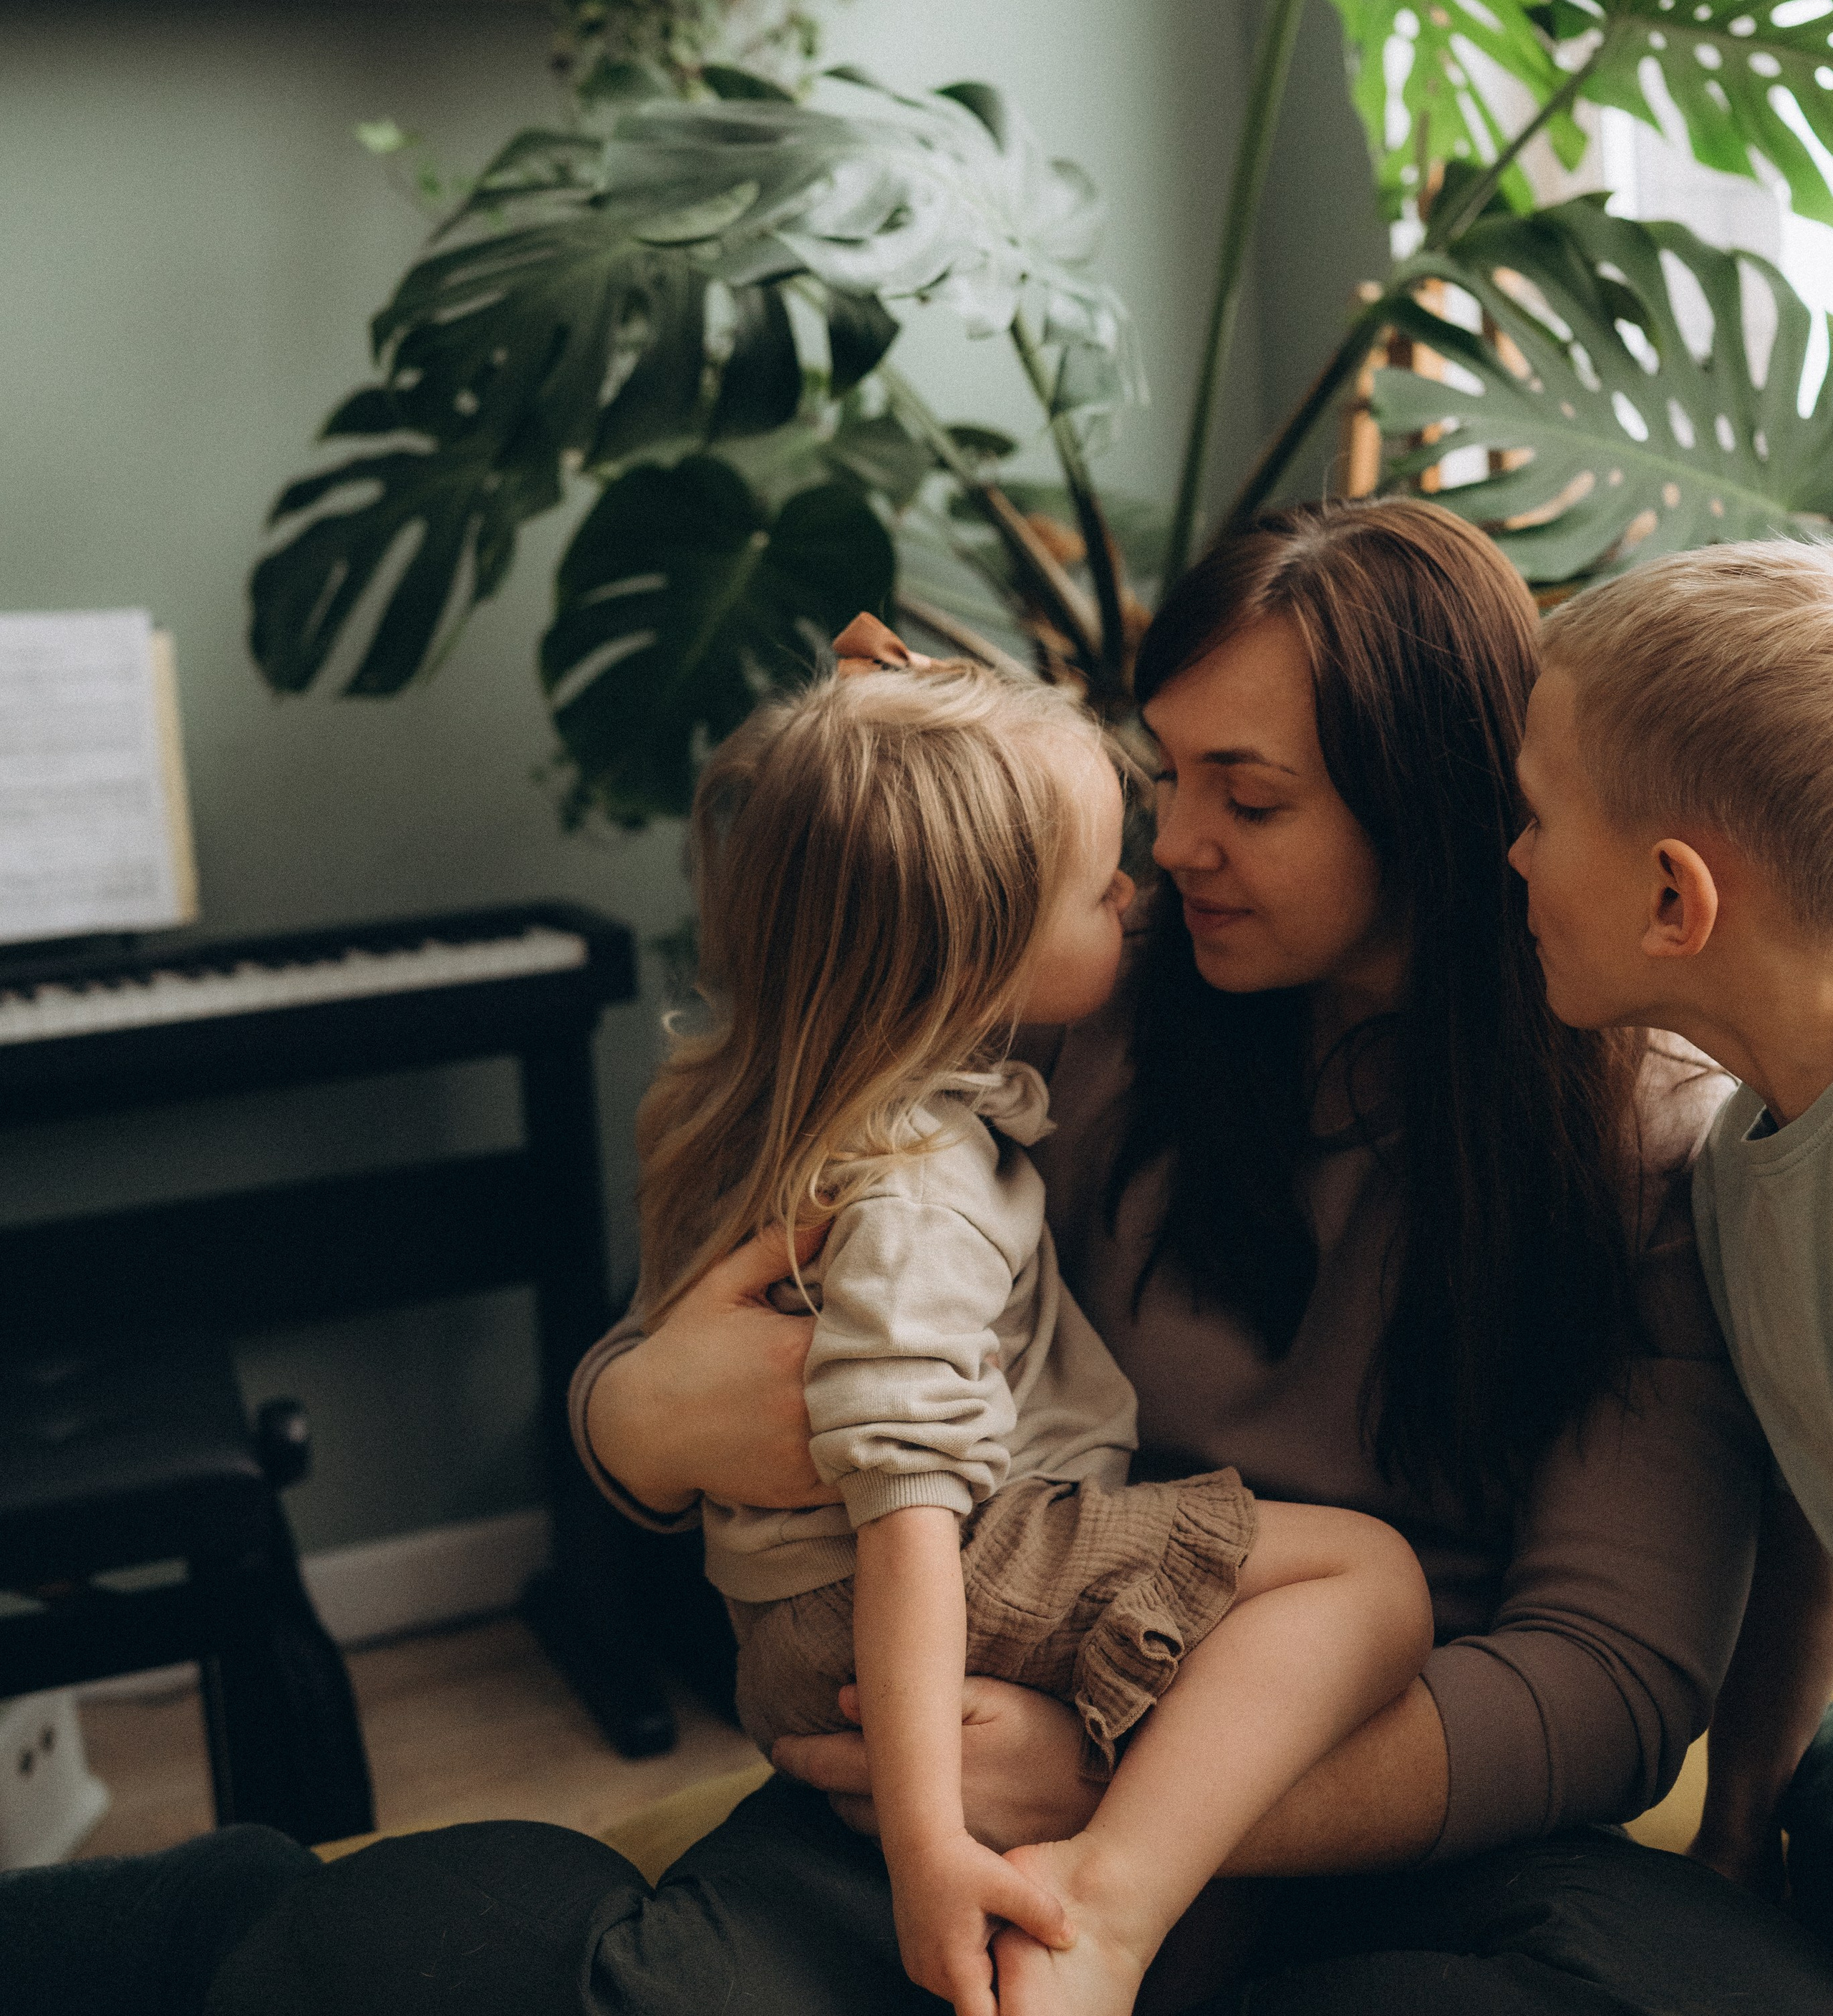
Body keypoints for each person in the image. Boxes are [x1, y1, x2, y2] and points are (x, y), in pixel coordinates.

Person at [13, 500, 1831, 2014]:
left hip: (1377, 1815)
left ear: (1435, 817)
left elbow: (1603, 1677)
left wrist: (1133, 1793)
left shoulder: (1648, 1137)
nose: (1170, 844)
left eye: (1247, 799)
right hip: (980, 1727)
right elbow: (749, 1295)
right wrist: (629, 1422)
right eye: (1160, 774)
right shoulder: (1071, 1025)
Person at [611, 648, 1432, 2014]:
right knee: (1368, 1583)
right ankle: (1084, 1940)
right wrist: (930, 1847)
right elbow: (910, 1519)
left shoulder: (779, 1106)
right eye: (1099, 882)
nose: (1144, 883)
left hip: (796, 1627)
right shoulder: (918, 1188)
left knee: (1228, 1861)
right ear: (973, 947)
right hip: (911, 1591)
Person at [1509, 539, 1833, 1951]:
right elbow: (1803, 1516)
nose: (1506, 856)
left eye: (1531, 816)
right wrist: (1734, 1820)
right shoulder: (1730, 1160)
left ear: (1669, 899)